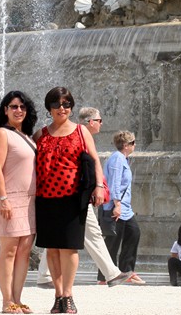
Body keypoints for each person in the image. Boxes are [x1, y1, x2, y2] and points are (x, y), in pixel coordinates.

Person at [38, 106, 132, 288]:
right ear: (91, 122)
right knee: (90, 233)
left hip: (73, 193)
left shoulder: (77, 135)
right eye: (99, 121)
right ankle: (111, 273)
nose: (101, 124)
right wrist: (96, 187)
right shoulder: (79, 136)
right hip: (75, 193)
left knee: (61, 234)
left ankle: (45, 275)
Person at [34, 87, 105, 315]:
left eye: (66, 104)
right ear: (49, 108)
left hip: (72, 197)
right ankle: (58, 295)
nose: (61, 109)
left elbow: (94, 159)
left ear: (71, 107)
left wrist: (99, 186)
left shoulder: (80, 131)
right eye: (56, 105)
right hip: (45, 197)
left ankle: (69, 294)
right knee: (52, 249)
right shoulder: (40, 134)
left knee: (70, 248)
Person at [0, 90, 38, 314]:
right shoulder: (1, 133)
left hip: (29, 200)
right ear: (5, 110)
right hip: (9, 197)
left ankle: (17, 298)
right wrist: (3, 199)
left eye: (22, 107)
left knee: (24, 251)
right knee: (9, 250)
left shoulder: (28, 137)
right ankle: (6, 300)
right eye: (13, 106)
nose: (19, 110)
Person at [99, 130, 146, 285]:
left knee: (133, 233)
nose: (135, 145)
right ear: (126, 145)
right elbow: (115, 183)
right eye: (133, 143)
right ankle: (105, 276)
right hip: (115, 206)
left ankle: (126, 271)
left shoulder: (122, 159)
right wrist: (117, 204)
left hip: (125, 208)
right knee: (113, 240)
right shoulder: (118, 158)